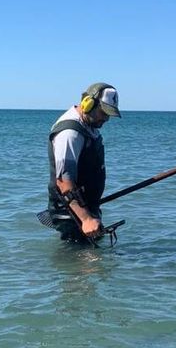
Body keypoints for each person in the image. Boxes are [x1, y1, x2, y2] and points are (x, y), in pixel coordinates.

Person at [46, 82, 121, 242]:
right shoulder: (69, 134)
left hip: (85, 208)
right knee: (78, 260)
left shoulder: (89, 126)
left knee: (89, 261)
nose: (106, 118)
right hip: (72, 214)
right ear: (88, 104)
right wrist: (86, 219)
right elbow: (64, 183)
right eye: (104, 112)